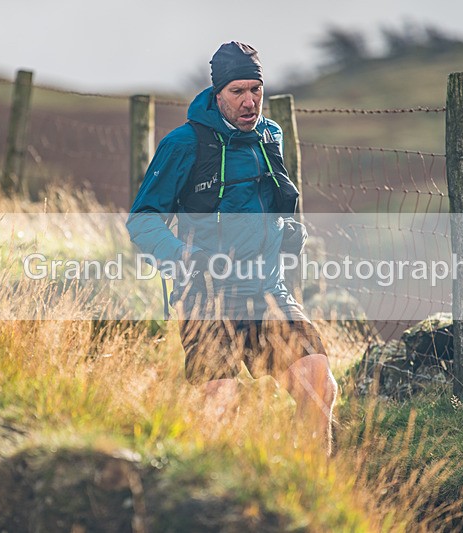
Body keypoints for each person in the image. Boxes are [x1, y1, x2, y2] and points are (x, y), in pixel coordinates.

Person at [126, 41, 337, 453]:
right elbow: (143, 220)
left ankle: (312, 484)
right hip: (206, 296)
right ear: (217, 93)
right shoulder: (183, 145)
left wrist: (291, 232)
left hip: (267, 293)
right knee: (220, 403)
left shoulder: (270, 136)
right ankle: (218, 497)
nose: (249, 102)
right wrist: (184, 257)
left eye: (255, 90)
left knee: (319, 382)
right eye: (237, 91)